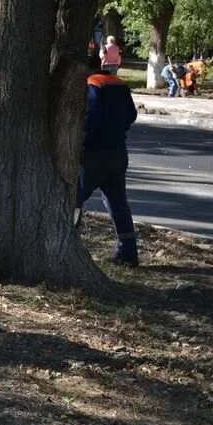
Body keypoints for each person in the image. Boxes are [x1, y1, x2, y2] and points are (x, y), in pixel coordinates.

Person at [74, 54, 140, 267]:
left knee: (73, 200)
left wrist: (81, 144)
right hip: (118, 153)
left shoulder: (92, 85)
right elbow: (131, 115)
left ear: (87, 68)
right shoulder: (119, 83)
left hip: (93, 155)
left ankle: (70, 244)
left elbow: (91, 118)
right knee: (118, 203)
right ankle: (128, 252)